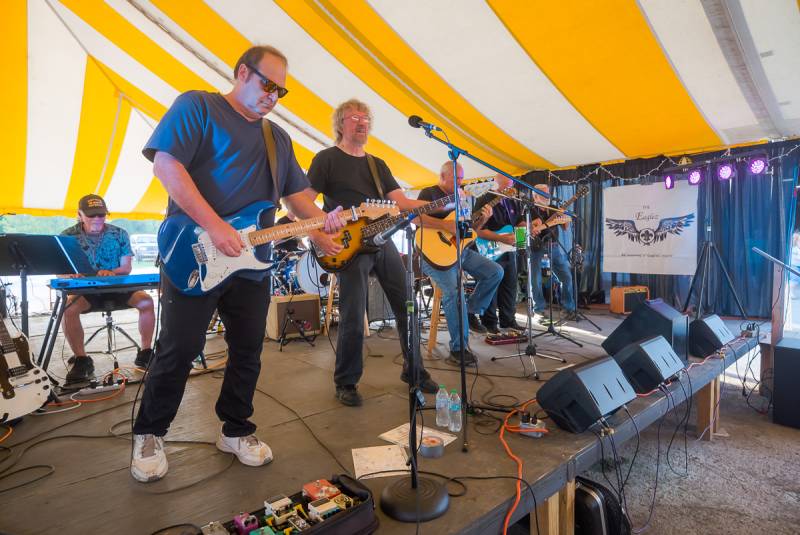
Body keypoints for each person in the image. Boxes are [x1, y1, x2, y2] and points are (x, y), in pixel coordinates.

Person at [130, 45, 344, 483]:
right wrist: (215, 226)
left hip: (253, 261)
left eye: (280, 91)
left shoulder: (276, 137)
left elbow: (297, 198)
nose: (273, 96)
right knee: (179, 349)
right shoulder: (198, 106)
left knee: (248, 350)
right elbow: (167, 167)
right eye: (268, 84)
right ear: (242, 72)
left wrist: (323, 228)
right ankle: (150, 432)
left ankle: (235, 428)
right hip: (193, 250)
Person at [306, 99, 440, 407]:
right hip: (350, 245)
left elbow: (403, 203)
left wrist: (445, 204)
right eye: (355, 118)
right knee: (353, 314)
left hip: (383, 239)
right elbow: (304, 202)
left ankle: (414, 369)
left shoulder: (377, 165)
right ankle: (346, 381)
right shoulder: (326, 159)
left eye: (366, 118)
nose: (362, 122)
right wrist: (319, 233)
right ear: (340, 124)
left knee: (408, 303)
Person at [60, 194, 155, 384]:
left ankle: (145, 352)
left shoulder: (119, 234)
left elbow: (126, 268)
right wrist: (70, 275)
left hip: (118, 288)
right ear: (79, 214)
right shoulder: (67, 236)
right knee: (69, 308)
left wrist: (111, 272)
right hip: (86, 292)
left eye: (101, 215)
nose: (97, 219)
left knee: (146, 301)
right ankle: (82, 359)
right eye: (91, 215)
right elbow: (60, 271)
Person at [418, 162, 503, 367]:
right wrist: (444, 225)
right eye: (456, 178)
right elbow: (416, 218)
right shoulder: (428, 192)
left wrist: (482, 220)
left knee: (495, 271)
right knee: (455, 293)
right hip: (432, 254)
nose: (460, 182)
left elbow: (469, 231)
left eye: (462, 178)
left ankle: (472, 310)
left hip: (460, 251)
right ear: (443, 175)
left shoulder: (462, 198)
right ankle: (458, 349)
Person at [475, 174, 526, 333]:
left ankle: (508, 320)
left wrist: (522, 238)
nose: (509, 190)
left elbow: (519, 221)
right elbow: (478, 230)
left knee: (510, 286)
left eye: (510, 187)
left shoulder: (512, 201)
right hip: (490, 249)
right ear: (497, 183)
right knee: (492, 286)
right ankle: (489, 322)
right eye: (506, 187)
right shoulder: (484, 199)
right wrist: (501, 239)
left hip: (510, 249)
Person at [529, 183, 577, 321]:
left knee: (566, 277)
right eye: (544, 193)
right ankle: (538, 309)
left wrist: (564, 217)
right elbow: (527, 229)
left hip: (554, 247)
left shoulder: (554, 208)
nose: (547, 196)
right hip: (537, 248)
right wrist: (534, 225)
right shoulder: (530, 210)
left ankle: (568, 308)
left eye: (548, 193)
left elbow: (565, 228)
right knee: (536, 280)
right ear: (535, 195)